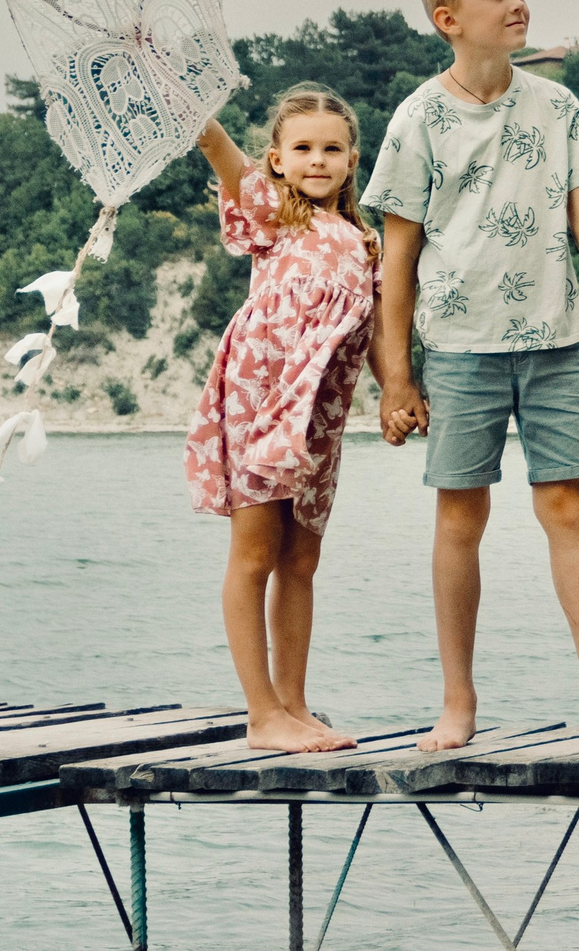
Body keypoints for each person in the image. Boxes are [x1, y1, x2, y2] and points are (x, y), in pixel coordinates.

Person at [362, 0, 579, 752]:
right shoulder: (418, 119)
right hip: (460, 347)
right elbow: (395, 261)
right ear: (448, 20)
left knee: (568, 507)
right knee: (460, 517)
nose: (517, 3)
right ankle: (457, 702)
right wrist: (396, 378)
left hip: (554, 341)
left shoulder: (556, 106)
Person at [182, 86, 378, 754]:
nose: (316, 160)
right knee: (256, 554)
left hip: (320, 413)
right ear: (276, 159)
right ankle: (261, 714)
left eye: (331, 149)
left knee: (302, 560)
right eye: (302, 148)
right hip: (262, 400)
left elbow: (374, 332)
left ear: (353, 159)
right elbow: (214, 146)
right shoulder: (275, 214)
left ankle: (294, 704)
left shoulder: (363, 240)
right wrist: (183, 97)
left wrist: (402, 393)